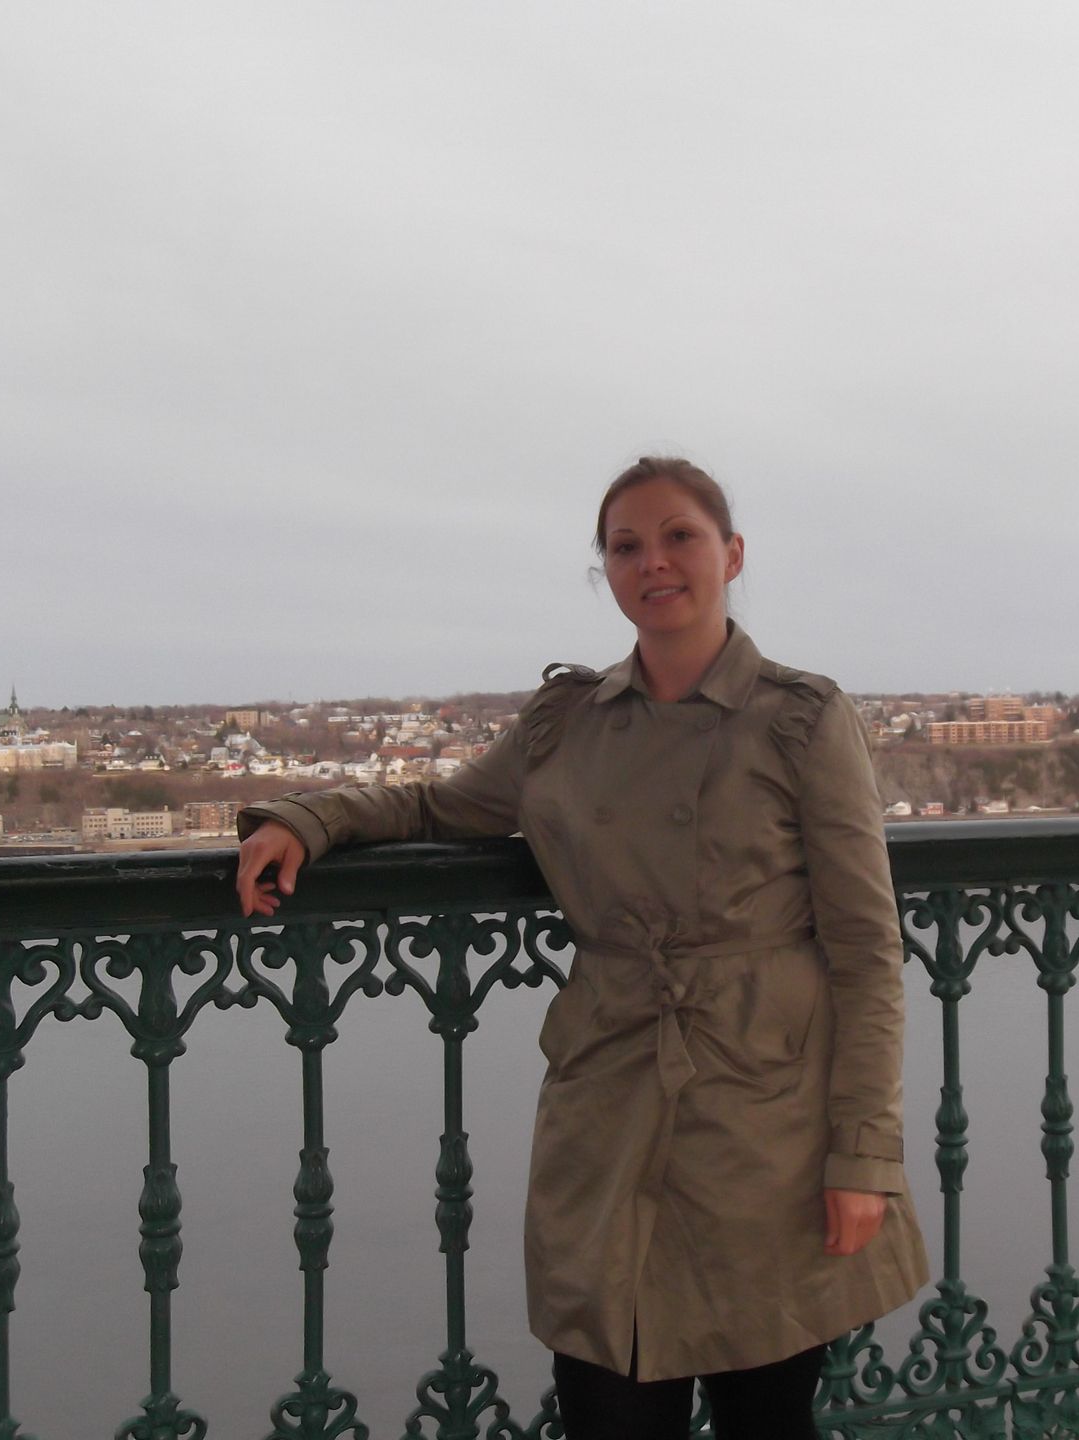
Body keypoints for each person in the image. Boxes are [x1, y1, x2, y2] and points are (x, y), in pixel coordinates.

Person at [234, 456, 929, 1440]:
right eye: (625, 546)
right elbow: (441, 805)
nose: (654, 562)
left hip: (763, 1124)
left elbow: (864, 950)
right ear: (606, 571)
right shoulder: (567, 723)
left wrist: (864, 1154)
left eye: (679, 537)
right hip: (609, 1098)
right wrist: (310, 820)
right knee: (606, 1399)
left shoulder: (802, 720)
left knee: (764, 1416)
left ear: (731, 555)